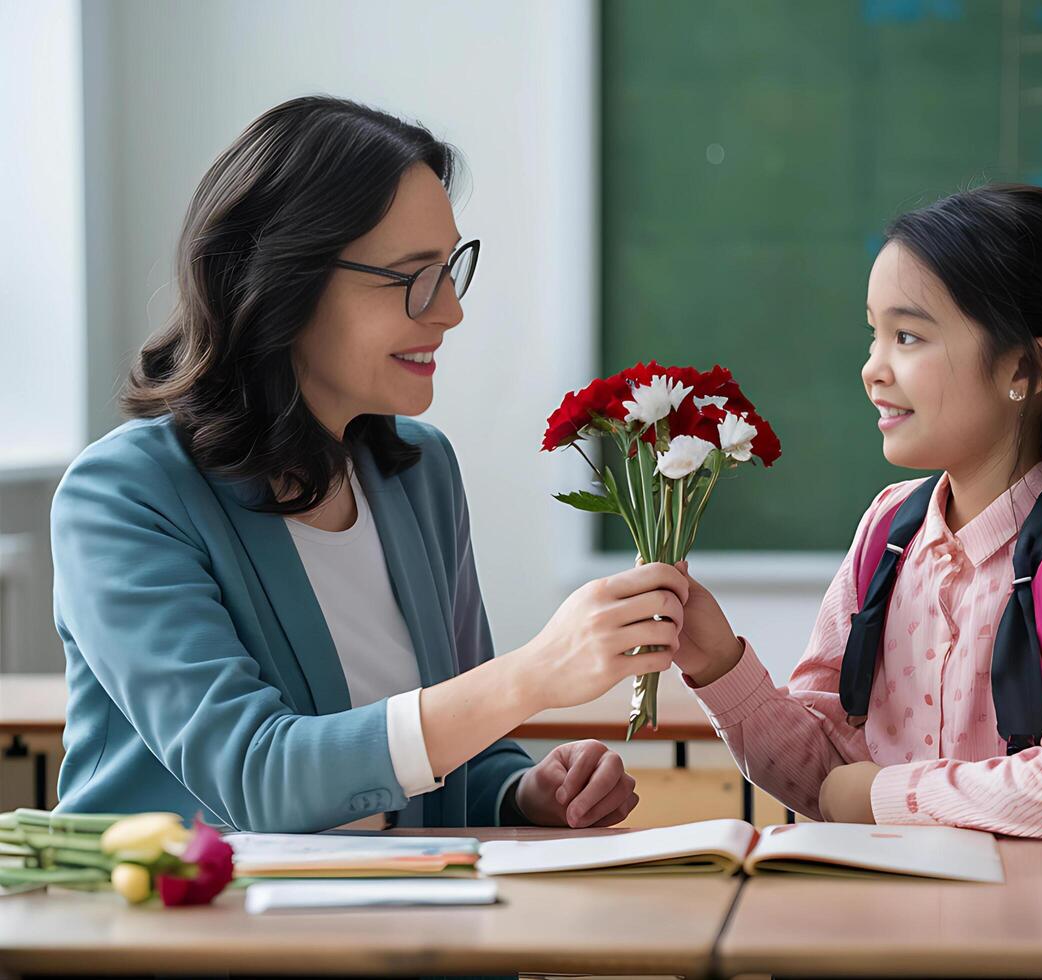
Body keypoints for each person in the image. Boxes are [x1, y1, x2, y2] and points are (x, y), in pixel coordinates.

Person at [51, 96, 688, 833]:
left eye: (451, 269)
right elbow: (258, 778)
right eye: (414, 276)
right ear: (284, 279)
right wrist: (533, 674)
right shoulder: (124, 498)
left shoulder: (420, 474)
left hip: (391, 927)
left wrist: (523, 792)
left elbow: (454, 763)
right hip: (195, 935)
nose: (449, 309)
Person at [672, 184, 1042, 838]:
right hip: (909, 927)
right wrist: (719, 662)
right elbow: (823, 778)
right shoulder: (889, 529)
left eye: (907, 336)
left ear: (1027, 366)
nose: (873, 369)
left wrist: (881, 793)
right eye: (873, 335)